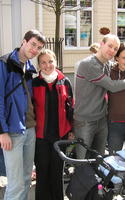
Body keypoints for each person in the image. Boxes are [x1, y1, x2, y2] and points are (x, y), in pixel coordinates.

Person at [74, 34, 125, 159]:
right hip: (85, 120)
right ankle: (80, 178)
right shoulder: (89, 64)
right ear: (101, 44)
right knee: (82, 159)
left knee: (100, 159)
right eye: (110, 46)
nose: (112, 50)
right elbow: (112, 86)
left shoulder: (107, 64)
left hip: (102, 119)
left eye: (115, 48)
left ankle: (96, 179)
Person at [0, 29, 46, 200]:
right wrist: (2, 131)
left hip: (30, 129)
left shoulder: (29, 68)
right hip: (12, 131)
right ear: (24, 41)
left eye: (39, 48)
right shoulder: (5, 63)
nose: (35, 50)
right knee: (15, 183)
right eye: (33, 44)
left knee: (27, 179)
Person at [32, 49, 73, 200]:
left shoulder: (65, 81)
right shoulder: (34, 83)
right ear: (39, 65)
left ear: (55, 62)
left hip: (60, 134)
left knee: (57, 173)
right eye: (43, 62)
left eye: (50, 61)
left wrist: (72, 129)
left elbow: (71, 106)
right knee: (42, 172)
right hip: (40, 136)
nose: (47, 65)